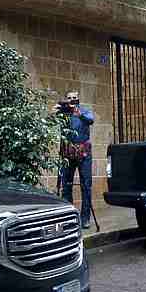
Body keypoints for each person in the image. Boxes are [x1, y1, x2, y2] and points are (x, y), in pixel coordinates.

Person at [56, 91, 96, 229]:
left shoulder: (84, 110)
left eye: (74, 98)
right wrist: (56, 110)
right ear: (66, 99)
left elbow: (91, 119)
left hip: (84, 153)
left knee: (86, 186)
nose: (72, 100)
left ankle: (85, 218)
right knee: (66, 185)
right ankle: (69, 218)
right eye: (69, 98)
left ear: (78, 99)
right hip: (67, 153)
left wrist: (80, 114)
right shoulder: (64, 112)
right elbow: (52, 119)